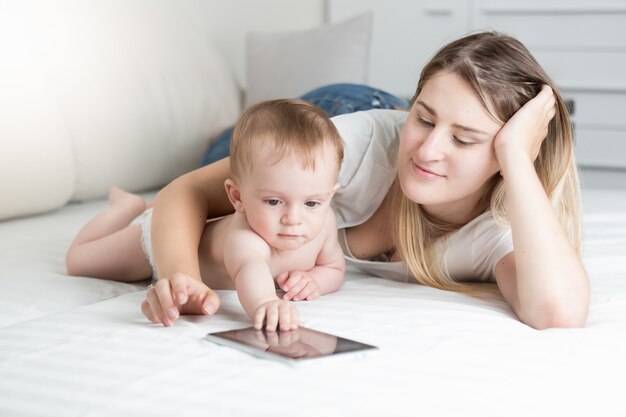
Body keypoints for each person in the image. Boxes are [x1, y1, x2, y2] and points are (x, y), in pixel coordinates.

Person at [145, 31, 590, 330]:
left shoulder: (499, 229)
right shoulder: (353, 144)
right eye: (425, 118)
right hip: (340, 106)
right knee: (226, 156)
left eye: (464, 139)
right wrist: (182, 280)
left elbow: (557, 312)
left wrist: (515, 156)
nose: (428, 150)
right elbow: (185, 192)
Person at [66, 99, 346, 331]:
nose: (293, 219)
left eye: (311, 204)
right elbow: (251, 271)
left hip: (193, 233)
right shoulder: (245, 236)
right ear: (237, 197)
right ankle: (125, 209)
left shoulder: (324, 224)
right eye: (274, 201)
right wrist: (265, 304)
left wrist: (316, 281)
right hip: (159, 240)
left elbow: (334, 267)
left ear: (329, 195)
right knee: (78, 261)